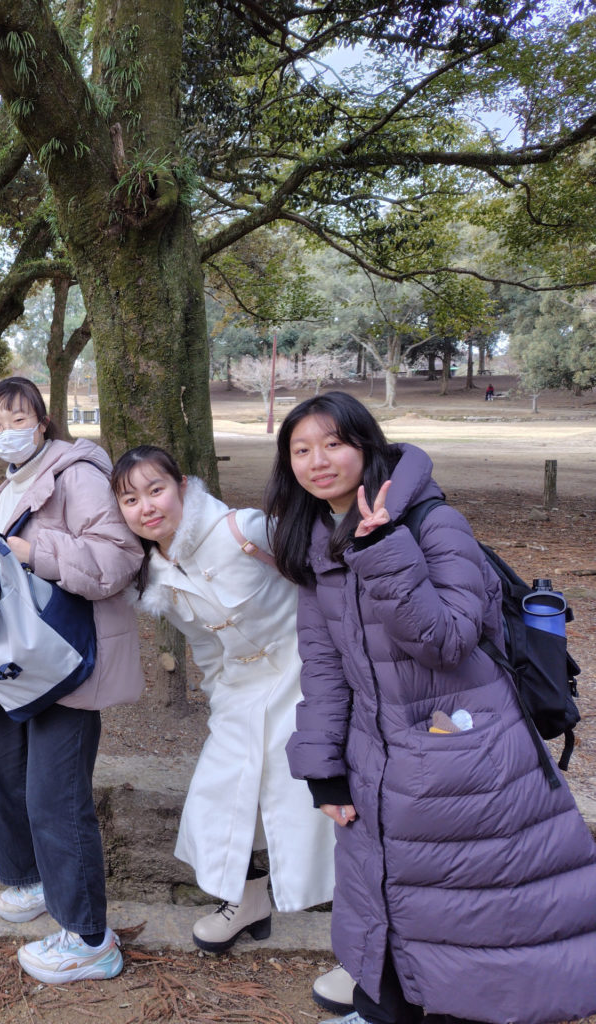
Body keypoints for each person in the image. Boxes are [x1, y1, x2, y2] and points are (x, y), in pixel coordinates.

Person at [267, 391, 596, 1024]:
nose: (318, 461)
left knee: (469, 916)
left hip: (466, 756)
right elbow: (326, 666)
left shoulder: (433, 522)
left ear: (367, 446)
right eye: (301, 450)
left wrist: (383, 546)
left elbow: (446, 640)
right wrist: (323, 768)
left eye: (334, 443)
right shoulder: (317, 538)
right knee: (384, 902)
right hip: (378, 757)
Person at [111, 446, 342, 971]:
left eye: (155, 490)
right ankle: (247, 899)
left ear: (182, 487)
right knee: (224, 793)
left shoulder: (245, 529)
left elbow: (325, 579)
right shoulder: (157, 578)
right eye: (130, 499)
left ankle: (355, 924)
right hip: (241, 689)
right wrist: (221, 699)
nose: (147, 507)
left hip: (306, 673)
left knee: (305, 797)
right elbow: (207, 648)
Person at [0, 377, 145, 985]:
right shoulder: (6, 488)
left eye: (18, 418)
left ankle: (89, 938)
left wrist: (38, 553)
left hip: (63, 660)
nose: (7, 431)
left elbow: (119, 557)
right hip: (13, 663)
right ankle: (33, 882)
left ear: (43, 419)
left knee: (56, 797)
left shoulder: (76, 474)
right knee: (6, 778)